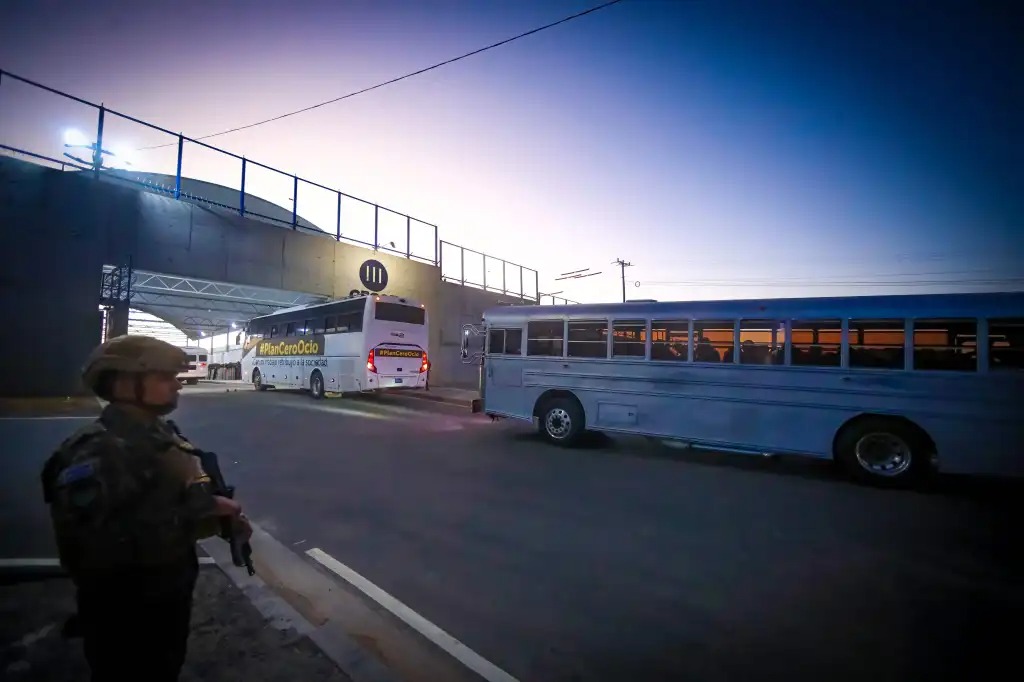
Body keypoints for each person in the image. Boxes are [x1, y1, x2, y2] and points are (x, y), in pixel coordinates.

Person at [40, 335, 252, 682]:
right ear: (124, 384)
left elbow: (166, 498)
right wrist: (200, 514)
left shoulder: (161, 435)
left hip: (166, 597)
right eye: (164, 378)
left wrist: (213, 513)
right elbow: (100, 548)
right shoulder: (99, 452)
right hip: (125, 613)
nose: (176, 386)